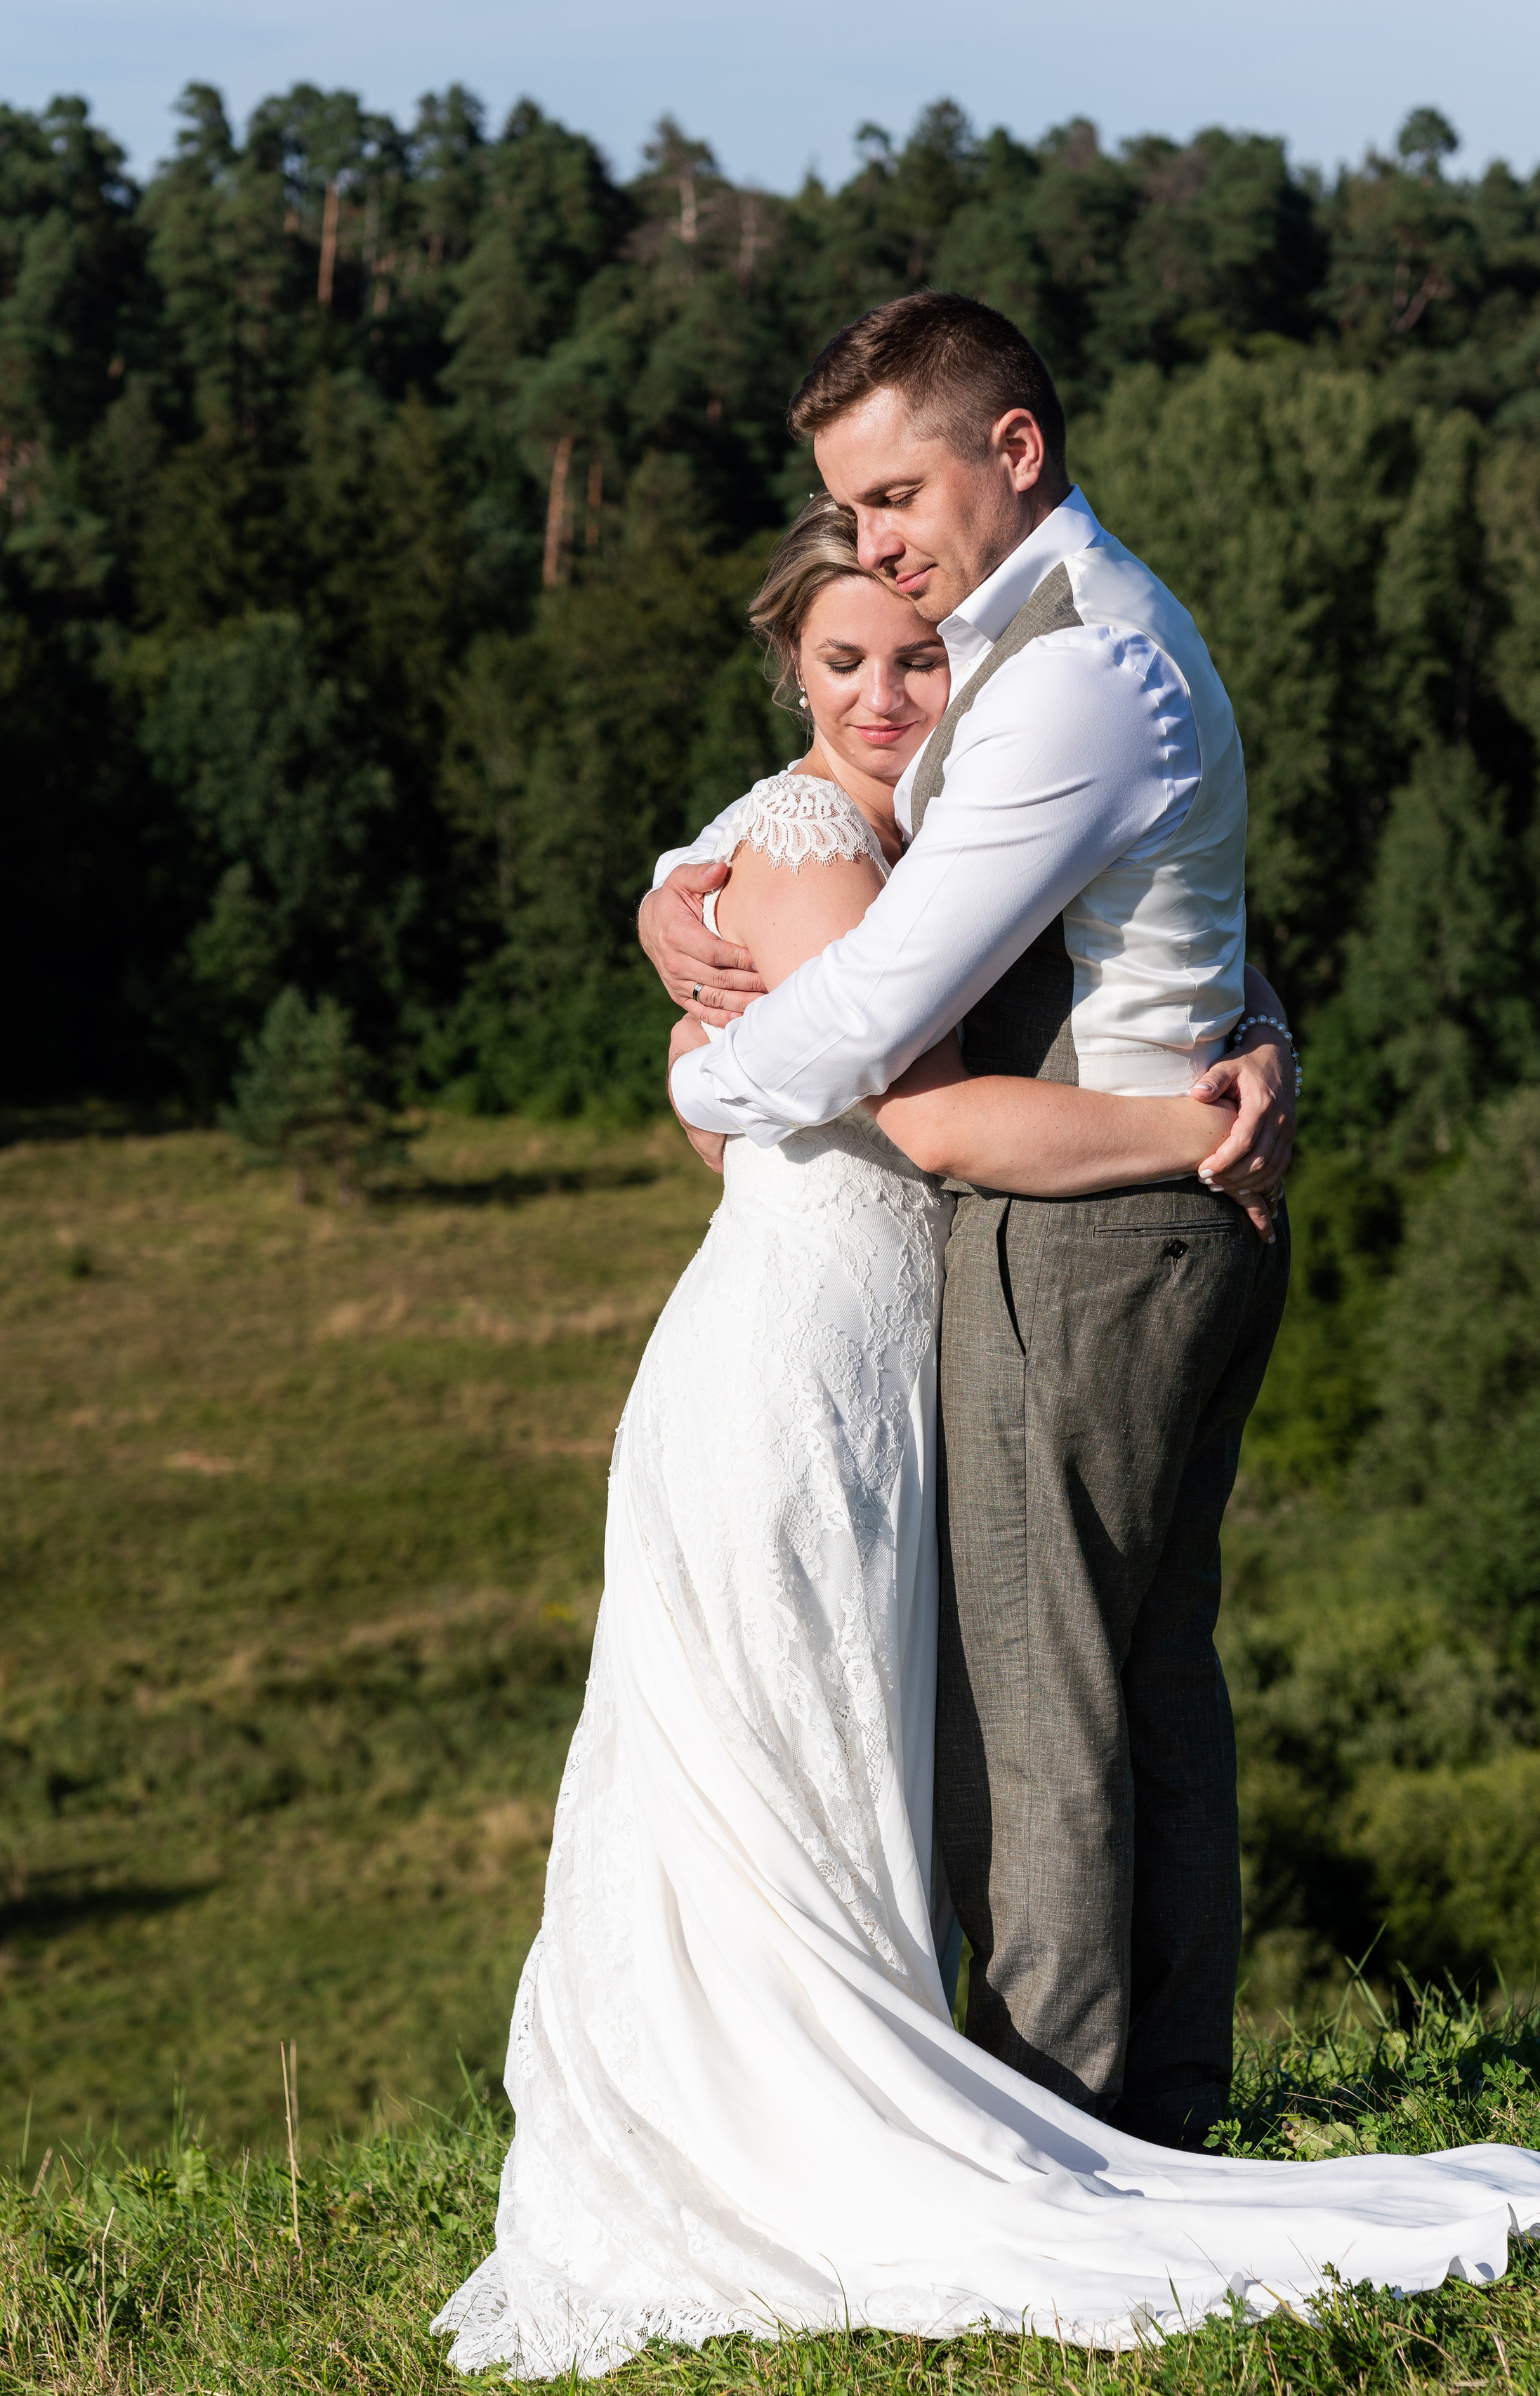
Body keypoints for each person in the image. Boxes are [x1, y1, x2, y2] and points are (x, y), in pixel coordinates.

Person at [430, 485, 1540, 2381]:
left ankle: (1000, 2084)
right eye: (843, 659)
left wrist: (1263, 1036)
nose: (890, 690)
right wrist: (1205, 1123)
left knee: (871, 1745)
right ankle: (816, 2126)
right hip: (800, 1369)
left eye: (916, 649)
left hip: (882, 1353)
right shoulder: (816, 854)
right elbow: (930, 1121)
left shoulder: (924, 813)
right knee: (809, 1749)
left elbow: (1077, 902)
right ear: (786, 664)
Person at [647, 292, 1296, 2151]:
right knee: (1146, 1682)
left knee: (1042, 1707)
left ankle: (1061, 2125)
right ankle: (1164, 2111)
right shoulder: (1056, 643)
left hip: (1090, 1247)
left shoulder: (1074, 675)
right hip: (1164, 1213)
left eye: (894, 494)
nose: (876, 548)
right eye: (849, 515)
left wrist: (698, 1073)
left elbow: (869, 1019)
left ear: (1014, 449)